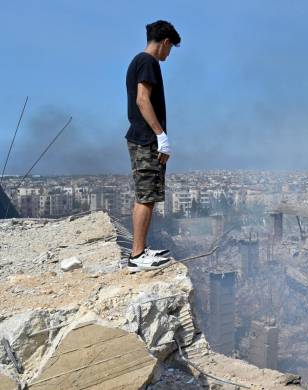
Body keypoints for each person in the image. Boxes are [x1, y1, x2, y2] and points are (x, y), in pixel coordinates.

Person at [125, 20, 180, 272]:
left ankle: (141, 249)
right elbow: (142, 99)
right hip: (146, 139)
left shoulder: (139, 61)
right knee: (146, 197)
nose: (169, 54)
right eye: (171, 48)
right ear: (165, 42)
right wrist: (161, 135)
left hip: (144, 138)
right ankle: (137, 255)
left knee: (146, 195)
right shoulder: (148, 62)